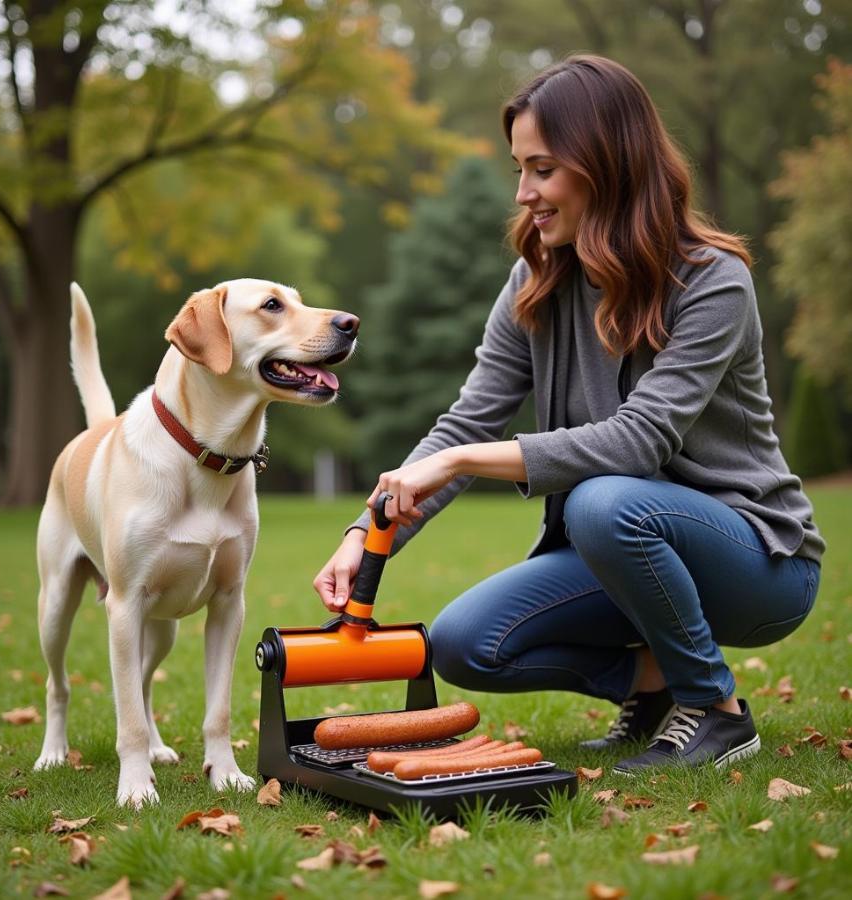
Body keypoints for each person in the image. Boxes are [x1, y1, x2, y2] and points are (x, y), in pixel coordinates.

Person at [313, 54, 824, 774]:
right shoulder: (535, 280)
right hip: (623, 549)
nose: (523, 192)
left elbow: (638, 440)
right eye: (519, 169)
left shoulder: (714, 282)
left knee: (604, 502)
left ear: (607, 164)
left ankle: (714, 710)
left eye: (543, 169)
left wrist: (458, 462)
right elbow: (467, 421)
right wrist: (369, 534)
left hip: (756, 562)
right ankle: (651, 687)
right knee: (465, 641)